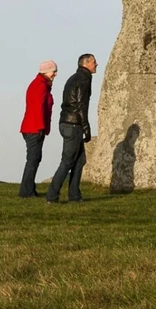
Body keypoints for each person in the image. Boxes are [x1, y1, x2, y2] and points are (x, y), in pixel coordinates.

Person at [46, 52, 98, 203]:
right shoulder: (83, 79)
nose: (96, 64)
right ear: (85, 64)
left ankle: (74, 196)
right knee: (67, 161)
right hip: (73, 124)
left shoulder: (74, 78)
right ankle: (51, 196)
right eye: (94, 62)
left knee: (80, 160)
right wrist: (86, 127)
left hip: (67, 123)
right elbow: (81, 105)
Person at [18, 60, 57, 197]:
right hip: (34, 128)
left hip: (32, 127)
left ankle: (29, 189)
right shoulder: (40, 86)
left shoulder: (40, 84)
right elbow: (38, 108)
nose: (55, 74)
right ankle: (26, 191)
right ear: (45, 72)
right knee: (33, 159)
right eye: (53, 71)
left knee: (34, 159)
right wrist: (41, 127)